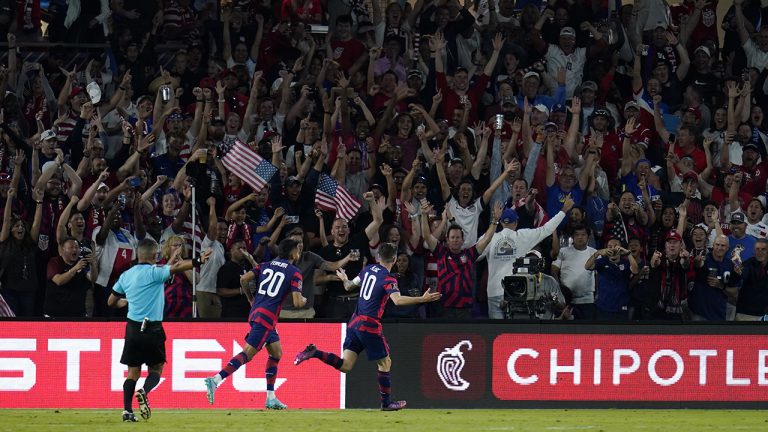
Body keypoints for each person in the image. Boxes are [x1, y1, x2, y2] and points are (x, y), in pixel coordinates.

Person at [293, 243, 441, 410]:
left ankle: (315, 352)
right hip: (369, 326)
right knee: (385, 363)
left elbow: (349, 286)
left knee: (346, 366)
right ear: (393, 259)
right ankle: (386, 404)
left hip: (354, 323)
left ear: (378, 257)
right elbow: (398, 300)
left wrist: (344, 279)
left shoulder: (368, 269)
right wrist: (423, 299)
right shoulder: (388, 279)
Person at [107, 238, 212, 422]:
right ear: (155, 255)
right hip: (152, 328)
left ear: (138, 253)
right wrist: (198, 260)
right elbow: (176, 268)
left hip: (132, 328)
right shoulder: (155, 272)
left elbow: (111, 302)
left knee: (133, 372)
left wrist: (126, 301)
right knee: (156, 368)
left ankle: (127, 411)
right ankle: (144, 391)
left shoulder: (126, 275)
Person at [204, 238, 307, 410]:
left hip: (257, 313)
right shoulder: (294, 272)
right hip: (266, 318)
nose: (299, 252)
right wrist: (304, 300)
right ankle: (215, 380)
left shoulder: (266, 265)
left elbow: (244, 279)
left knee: (276, 353)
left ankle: (271, 398)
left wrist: (251, 298)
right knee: (247, 354)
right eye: (298, 248)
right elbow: (297, 303)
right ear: (292, 252)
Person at [481, 196, 574, 319]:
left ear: (502, 222)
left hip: (493, 292)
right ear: (516, 223)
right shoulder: (522, 236)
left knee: (496, 335)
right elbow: (546, 229)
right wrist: (564, 210)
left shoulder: (490, 238)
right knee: (513, 335)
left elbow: (475, 255)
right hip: (514, 292)